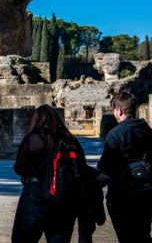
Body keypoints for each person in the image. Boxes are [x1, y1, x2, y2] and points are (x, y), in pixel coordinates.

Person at [11, 104, 86, 243]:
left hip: (35, 193)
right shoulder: (70, 140)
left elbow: (19, 168)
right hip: (63, 196)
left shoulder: (33, 139)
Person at [97, 91, 152, 243]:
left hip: (122, 195)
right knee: (144, 234)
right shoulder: (147, 130)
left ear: (119, 111)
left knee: (127, 236)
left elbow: (105, 168)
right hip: (146, 192)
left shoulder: (115, 134)